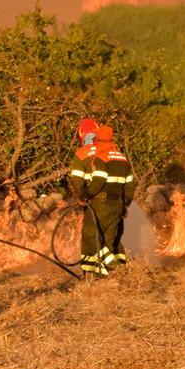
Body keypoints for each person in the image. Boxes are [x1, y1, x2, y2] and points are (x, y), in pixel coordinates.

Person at [67, 118, 107, 278]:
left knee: (91, 235)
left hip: (94, 200)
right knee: (110, 234)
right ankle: (109, 269)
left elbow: (77, 180)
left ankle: (92, 272)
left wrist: (82, 197)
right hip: (113, 198)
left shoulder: (82, 153)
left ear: (81, 135)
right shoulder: (109, 150)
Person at [93, 125, 135, 270]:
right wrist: (126, 201)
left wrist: (87, 194)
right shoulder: (123, 159)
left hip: (103, 203)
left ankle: (112, 267)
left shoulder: (101, 158)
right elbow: (130, 184)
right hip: (119, 203)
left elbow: (98, 181)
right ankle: (119, 265)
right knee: (112, 237)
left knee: (98, 237)